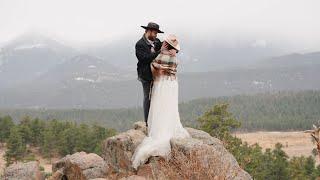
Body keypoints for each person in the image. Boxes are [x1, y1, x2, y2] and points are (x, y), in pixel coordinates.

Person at [131, 34, 191, 170]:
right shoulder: (175, 59)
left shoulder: (160, 56)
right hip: (172, 85)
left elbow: (152, 67)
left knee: (158, 106)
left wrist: (159, 54)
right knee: (170, 107)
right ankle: (170, 125)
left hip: (161, 85)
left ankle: (158, 127)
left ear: (166, 45)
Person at [135, 22, 175, 127]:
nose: (156, 35)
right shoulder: (140, 44)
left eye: (157, 33)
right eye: (154, 33)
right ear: (147, 31)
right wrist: (159, 52)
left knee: (157, 96)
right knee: (147, 97)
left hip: (157, 74)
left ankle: (156, 119)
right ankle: (148, 122)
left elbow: (168, 45)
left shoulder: (156, 41)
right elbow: (144, 59)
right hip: (145, 75)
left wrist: (174, 50)